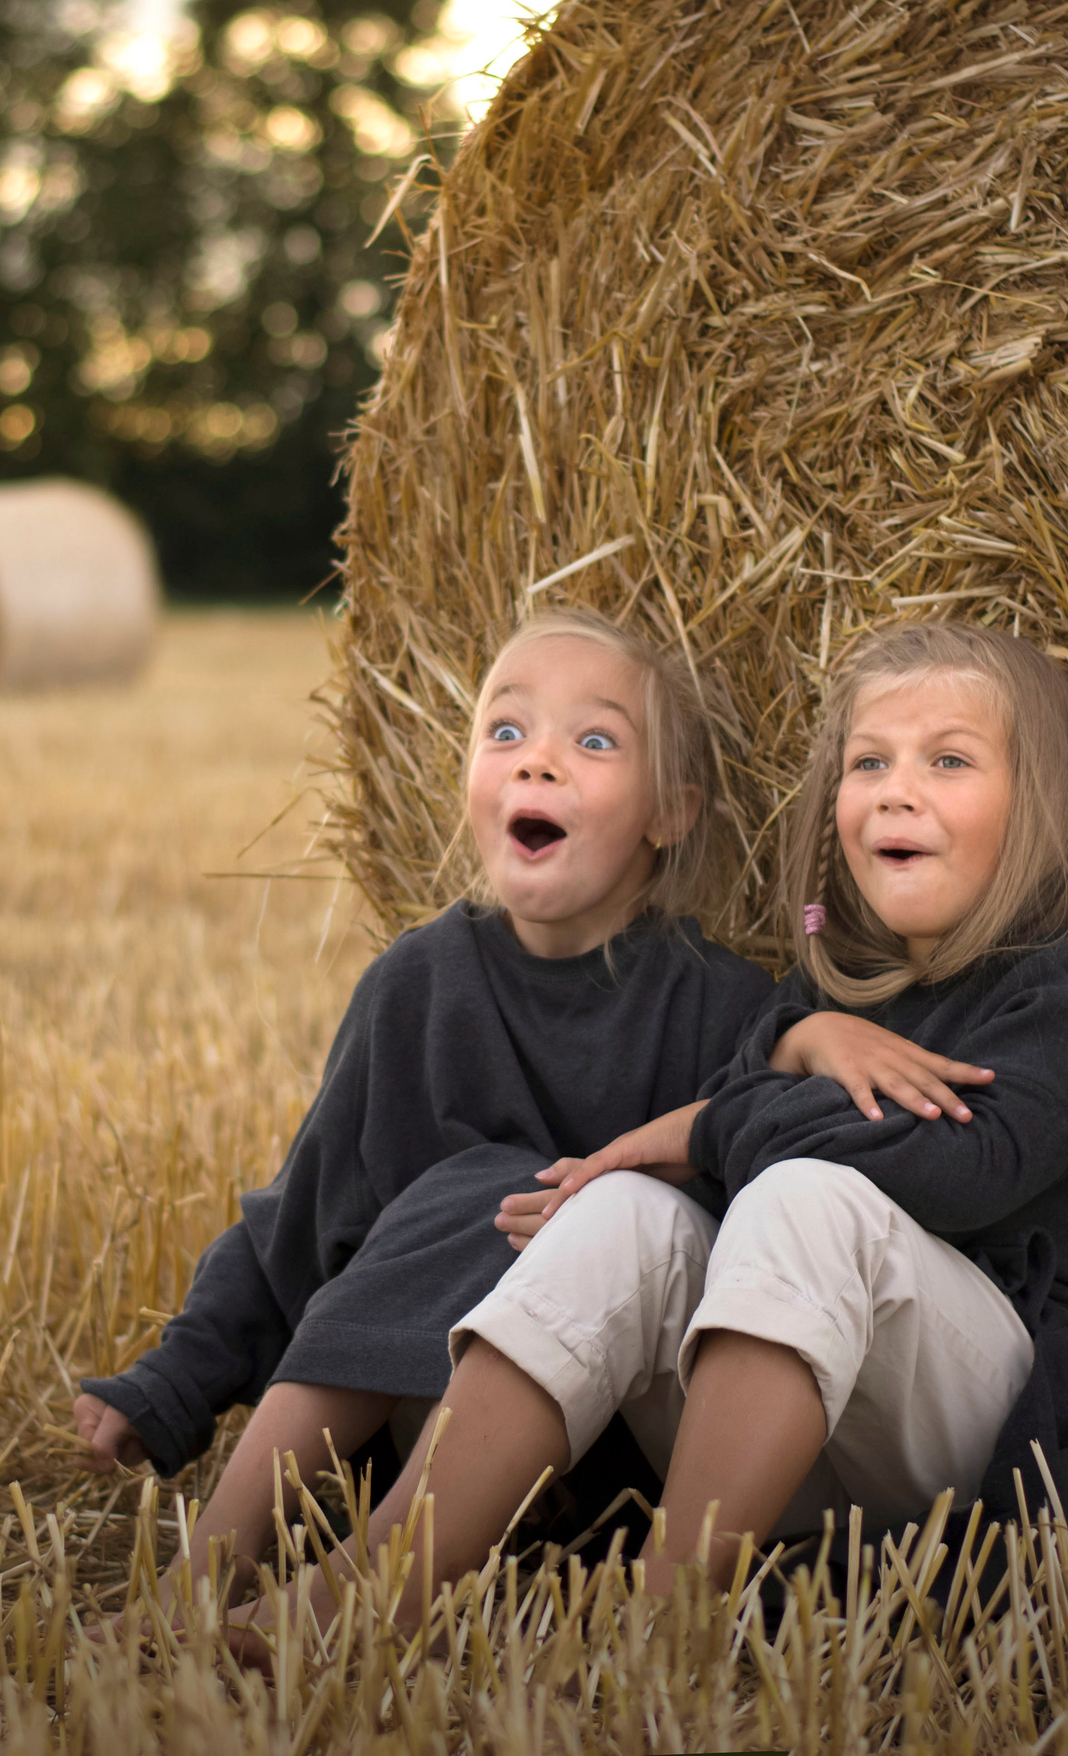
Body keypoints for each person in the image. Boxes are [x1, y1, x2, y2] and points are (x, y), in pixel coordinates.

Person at [73, 608, 999, 1619]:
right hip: (422, 1407)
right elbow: (298, 1218)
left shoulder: (720, 1004)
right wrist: (173, 1380)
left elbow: (762, 1234)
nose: (538, 763)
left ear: (671, 812)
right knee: (450, 1203)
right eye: (504, 733)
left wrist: (797, 1043)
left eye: (593, 741)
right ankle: (210, 1568)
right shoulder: (414, 987)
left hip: (622, 1447)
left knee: (488, 1194)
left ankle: (296, 1581)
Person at [266, 619, 1068, 1617]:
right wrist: (785, 1061)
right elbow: (711, 1179)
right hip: (803, 1454)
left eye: (948, 761)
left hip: (1003, 1429)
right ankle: (367, 1593)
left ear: (1038, 803)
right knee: (620, 1214)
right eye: (867, 760)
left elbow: (962, 1166)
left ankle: (660, 1619)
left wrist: (707, 1127)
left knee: (804, 1196)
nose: (896, 788)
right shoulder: (821, 994)